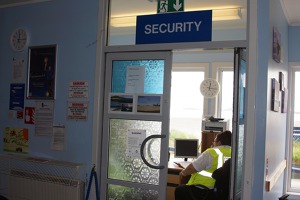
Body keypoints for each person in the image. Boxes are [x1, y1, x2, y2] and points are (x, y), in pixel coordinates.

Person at [174, 130, 232, 200]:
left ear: (219, 142)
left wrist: (182, 173)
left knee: (180, 189)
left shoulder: (212, 152)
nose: (213, 144)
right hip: (223, 191)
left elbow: (192, 168)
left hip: (204, 190)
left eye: (214, 141)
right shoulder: (234, 152)